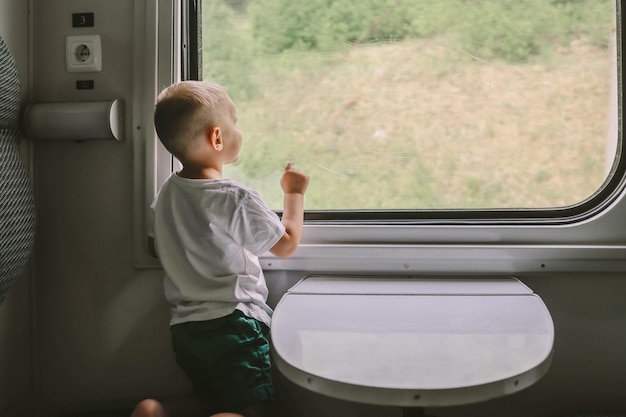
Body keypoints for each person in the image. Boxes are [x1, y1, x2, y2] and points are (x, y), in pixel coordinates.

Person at [145, 81, 309, 417]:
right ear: (217, 138)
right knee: (254, 409)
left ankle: (155, 412)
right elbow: (287, 244)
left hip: (186, 329)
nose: (240, 130)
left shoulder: (167, 196)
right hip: (234, 325)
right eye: (236, 122)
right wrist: (294, 193)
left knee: (212, 399)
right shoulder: (233, 197)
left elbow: (153, 245)